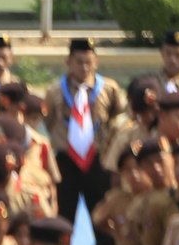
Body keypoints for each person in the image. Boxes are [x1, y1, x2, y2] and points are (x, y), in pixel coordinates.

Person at [45, 38, 127, 228]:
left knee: (101, 219)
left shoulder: (109, 88)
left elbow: (119, 119)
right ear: (68, 62)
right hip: (66, 161)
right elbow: (48, 122)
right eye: (79, 62)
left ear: (96, 62)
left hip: (98, 161)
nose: (84, 67)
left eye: (89, 62)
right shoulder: (55, 91)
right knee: (64, 220)